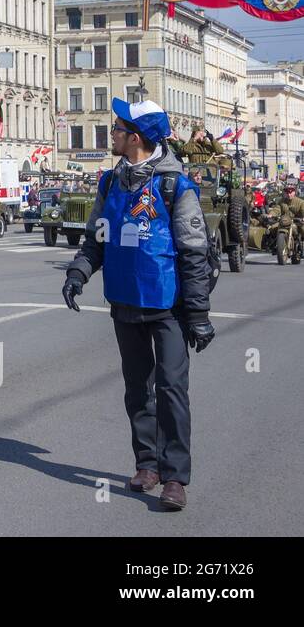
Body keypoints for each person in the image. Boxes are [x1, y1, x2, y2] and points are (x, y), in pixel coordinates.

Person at [62, 99, 214, 512]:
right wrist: (78, 273)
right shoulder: (111, 183)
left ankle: (175, 477)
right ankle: (147, 465)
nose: (111, 133)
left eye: (117, 128)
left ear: (137, 137)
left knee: (171, 390)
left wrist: (198, 315)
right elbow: (96, 238)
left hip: (167, 306)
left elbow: (194, 251)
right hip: (124, 303)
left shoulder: (174, 185)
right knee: (136, 390)